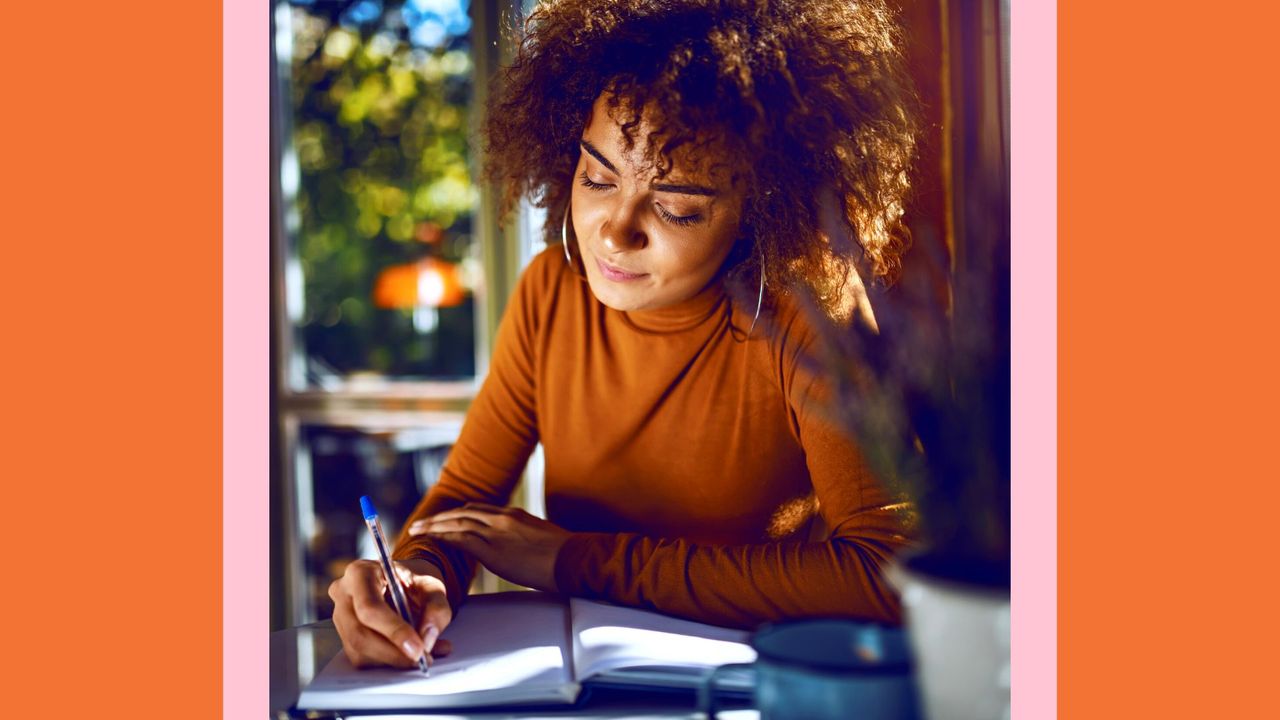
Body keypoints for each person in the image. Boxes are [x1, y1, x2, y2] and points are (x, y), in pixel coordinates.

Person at [328, 0, 919, 669]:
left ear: (761, 215)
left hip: (765, 685)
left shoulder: (811, 314)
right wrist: (415, 577)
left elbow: (890, 571)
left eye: (676, 208)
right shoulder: (552, 290)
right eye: (597, 176)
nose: (614, 229)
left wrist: (578, 560)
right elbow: (464, 505)